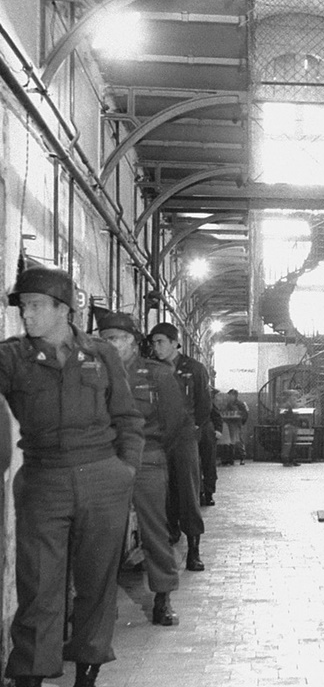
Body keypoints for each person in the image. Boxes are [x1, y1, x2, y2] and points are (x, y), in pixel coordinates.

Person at [0, 266, 144, 687]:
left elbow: (127, 417)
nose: (26, 314)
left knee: (97, 581)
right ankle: (31, 673)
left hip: (103, 477)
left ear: (63, 310)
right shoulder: (12, 358)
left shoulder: (101, 354)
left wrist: (126, 470)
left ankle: (88, 669)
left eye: (35, 305)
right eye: (23, 306)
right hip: (44, 480)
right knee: (39, 582)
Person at [98, 311, 186, 626]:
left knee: (154, 532)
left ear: (134, 342)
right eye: (105, 338)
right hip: (106, 461)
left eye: (116, 339)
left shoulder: (157, 375)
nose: (109, 344)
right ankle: (96, 606)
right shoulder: (95, 373)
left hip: (148, 458)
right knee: (101, 534)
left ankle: (163, 596)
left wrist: (156, 453)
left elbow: (175, 424)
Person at [148, 322, 211, 572]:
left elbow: (204, 405)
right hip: (159, 436)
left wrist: (194, 430)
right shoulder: (151, 369)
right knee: (160, 490)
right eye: (153, 342)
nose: (156, 347)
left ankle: (194, 550)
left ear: (175, 342)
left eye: (160, 341)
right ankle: (169, 536)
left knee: (188, 490)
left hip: (184, 437)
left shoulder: (194, 369)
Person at [198, 390, 223, 504]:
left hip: (205, 433)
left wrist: (217, 430)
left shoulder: (204, 398)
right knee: (207, 464)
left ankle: (207, 493)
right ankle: (205, 493)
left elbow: (216, 415)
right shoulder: (204, 397)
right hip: (203, 433)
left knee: (208, 464)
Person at [223, 388, 249, 464]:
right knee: (230, 441)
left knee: (238, 441)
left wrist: (241, 422)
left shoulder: (239, 404)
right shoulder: (227, 404)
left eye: (230, 395)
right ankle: (229, 458)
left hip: (236, 424)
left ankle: (242, 457)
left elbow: (244, 414)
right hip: (229, 423)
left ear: (234, 396)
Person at [280, 389, 301, 466]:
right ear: (290, 397)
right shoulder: (286, 405)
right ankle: (286, 460)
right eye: (294, 397)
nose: (296, 399)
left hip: (293, 425)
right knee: (288, 444)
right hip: (288, 426)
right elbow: (283, 416)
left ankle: (292, 459)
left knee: (292, 443)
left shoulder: (292, 405)